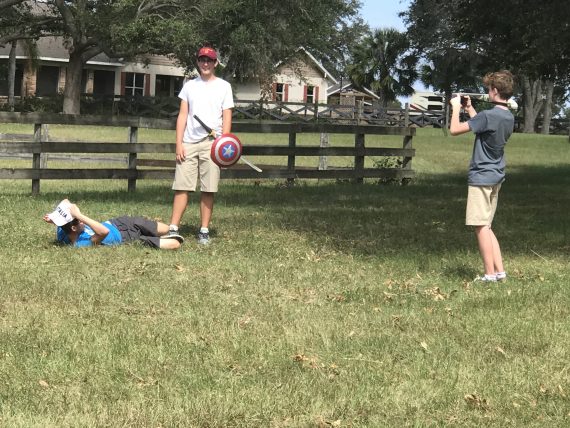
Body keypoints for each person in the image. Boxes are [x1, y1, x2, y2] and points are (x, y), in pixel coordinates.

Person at [449, 70, 515, 282]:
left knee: (480, 226)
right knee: (487, 225)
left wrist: (456, 108)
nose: (487, 92)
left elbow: (455, 130)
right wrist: (469, 108)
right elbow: (482, 125)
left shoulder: (489, 115)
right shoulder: (507, 116)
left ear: (494, 91)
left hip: (481, 177)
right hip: (496, 175)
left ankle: (489, 274)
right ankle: (500, 272)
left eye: (488, 89)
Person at [167, 45, 234, 244]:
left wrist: (224, 145)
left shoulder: (224, 86)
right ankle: (173, 228)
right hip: (188, 142)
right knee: (182, 187)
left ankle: (203, 230)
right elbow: (182, 115)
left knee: (209, 188)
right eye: (202, 60)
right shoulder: (189, 86)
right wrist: (179, 144)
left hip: (212, 145)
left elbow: (227, 116)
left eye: (209, 60)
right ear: (197, 62)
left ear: (215, 64)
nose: (205, 63)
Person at [43, 199, 184, 250]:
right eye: (79, 221)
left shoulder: (62, 231)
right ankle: (157, 239)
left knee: (167, 229)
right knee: (176, 243)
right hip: (126, 238)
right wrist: (79, 215)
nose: (82, 221)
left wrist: (55, 217)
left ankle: (164, 234)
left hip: (120, 223)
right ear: (73, 228)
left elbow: (67, 201)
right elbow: (104, 232)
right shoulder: (80, 244)